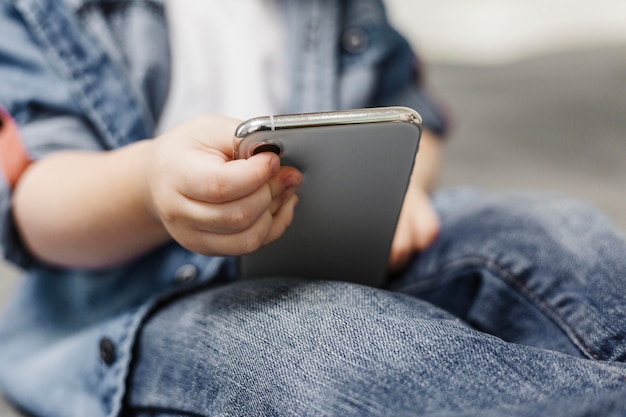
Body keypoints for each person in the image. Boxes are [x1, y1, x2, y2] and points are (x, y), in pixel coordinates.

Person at [0, 1, 625, 417]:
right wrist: (147, 187)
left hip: (346, 241)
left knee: (557, 235)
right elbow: (33, 208)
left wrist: (407, 188)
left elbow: (412, 118)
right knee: (344, 343)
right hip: (143, 301)